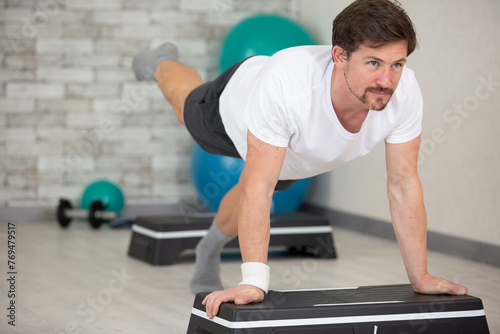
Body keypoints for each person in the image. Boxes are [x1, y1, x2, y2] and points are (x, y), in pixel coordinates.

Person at [132, 0, 468, 319]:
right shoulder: (289, 89)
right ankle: (161, 61)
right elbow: (258, 187)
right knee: (184, 108)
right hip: (237, 106)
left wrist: (421, 276)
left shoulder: (403, 90)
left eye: (397, 64)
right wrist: (254, 281)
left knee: (262, 182)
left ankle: (209, 246)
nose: (387, 80)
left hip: (293, 150)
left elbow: (403, 183)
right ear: (340, 56)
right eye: (373, 63)